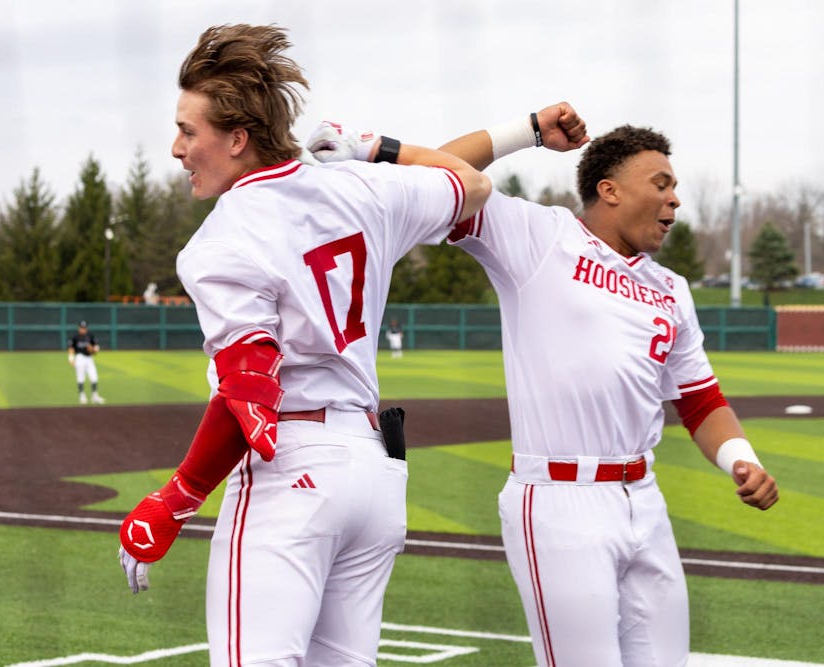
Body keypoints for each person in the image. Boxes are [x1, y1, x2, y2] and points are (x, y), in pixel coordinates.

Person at [310, 104, 778, 666]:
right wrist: (521, 132)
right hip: (559, 502)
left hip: (645, 500)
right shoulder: (540, 237)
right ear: (609, 190)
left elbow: (701, 400)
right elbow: (439, 182)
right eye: (661, 184)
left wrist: (741, 460)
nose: (675, 199)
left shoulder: (671, 289)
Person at [116, 24, 490, 667]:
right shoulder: (364, 187)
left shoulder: (220, 240)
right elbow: (471, 183)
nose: (177, 148)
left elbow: (249, 389)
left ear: (237, 139)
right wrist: (375, 147)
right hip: (373, 476)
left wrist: (176, 498)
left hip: (292, 473)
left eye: (188, 131)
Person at [67, 320, 104, 405]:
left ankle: (95, 396)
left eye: (84, 328)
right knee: (80, 377)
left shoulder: (90, 336)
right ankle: (82, 396)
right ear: (79, 328)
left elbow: (96, 349)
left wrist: (93, 350)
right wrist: (71, 358)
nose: (83, 329)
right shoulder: (75, 337)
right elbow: (71, 348)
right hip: (79, 358)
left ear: (86, 328)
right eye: (81, 327)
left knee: (94, 377)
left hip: (89, 358)